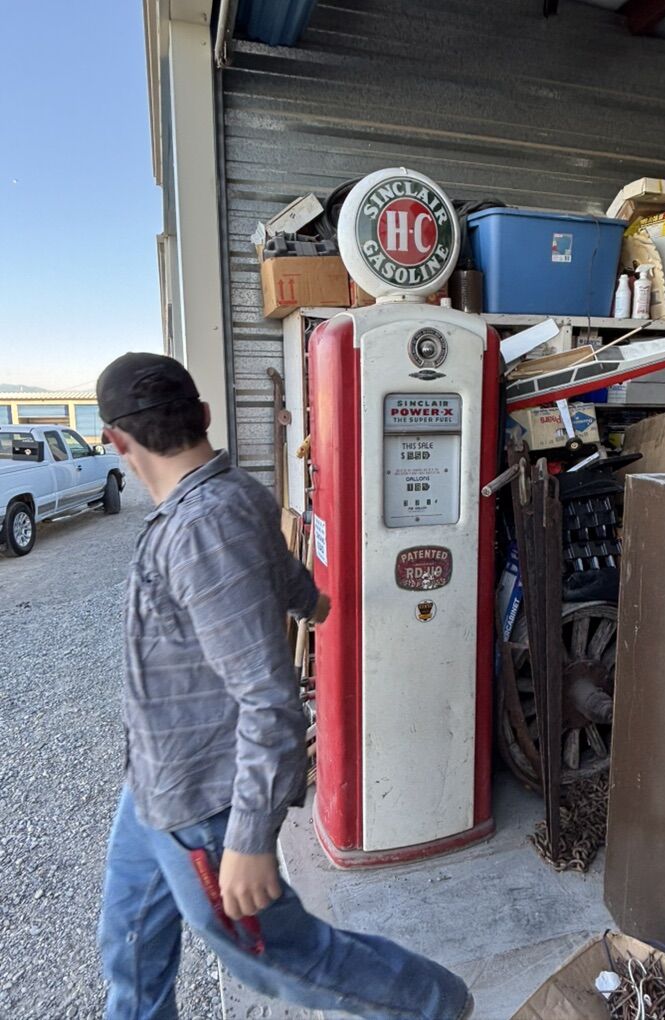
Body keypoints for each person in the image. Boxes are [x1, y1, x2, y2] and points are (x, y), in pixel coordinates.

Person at [96, 352, 474, 1020]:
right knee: (127, 951)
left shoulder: (202, 528)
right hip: (151, 787)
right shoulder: (237, 493)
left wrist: (249, 837)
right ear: (204, 416)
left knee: (287, 958)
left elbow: (270, 702)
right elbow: (286, 574)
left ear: (116, 440)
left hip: (204, 806)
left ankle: (437, 1005)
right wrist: (312, 603)